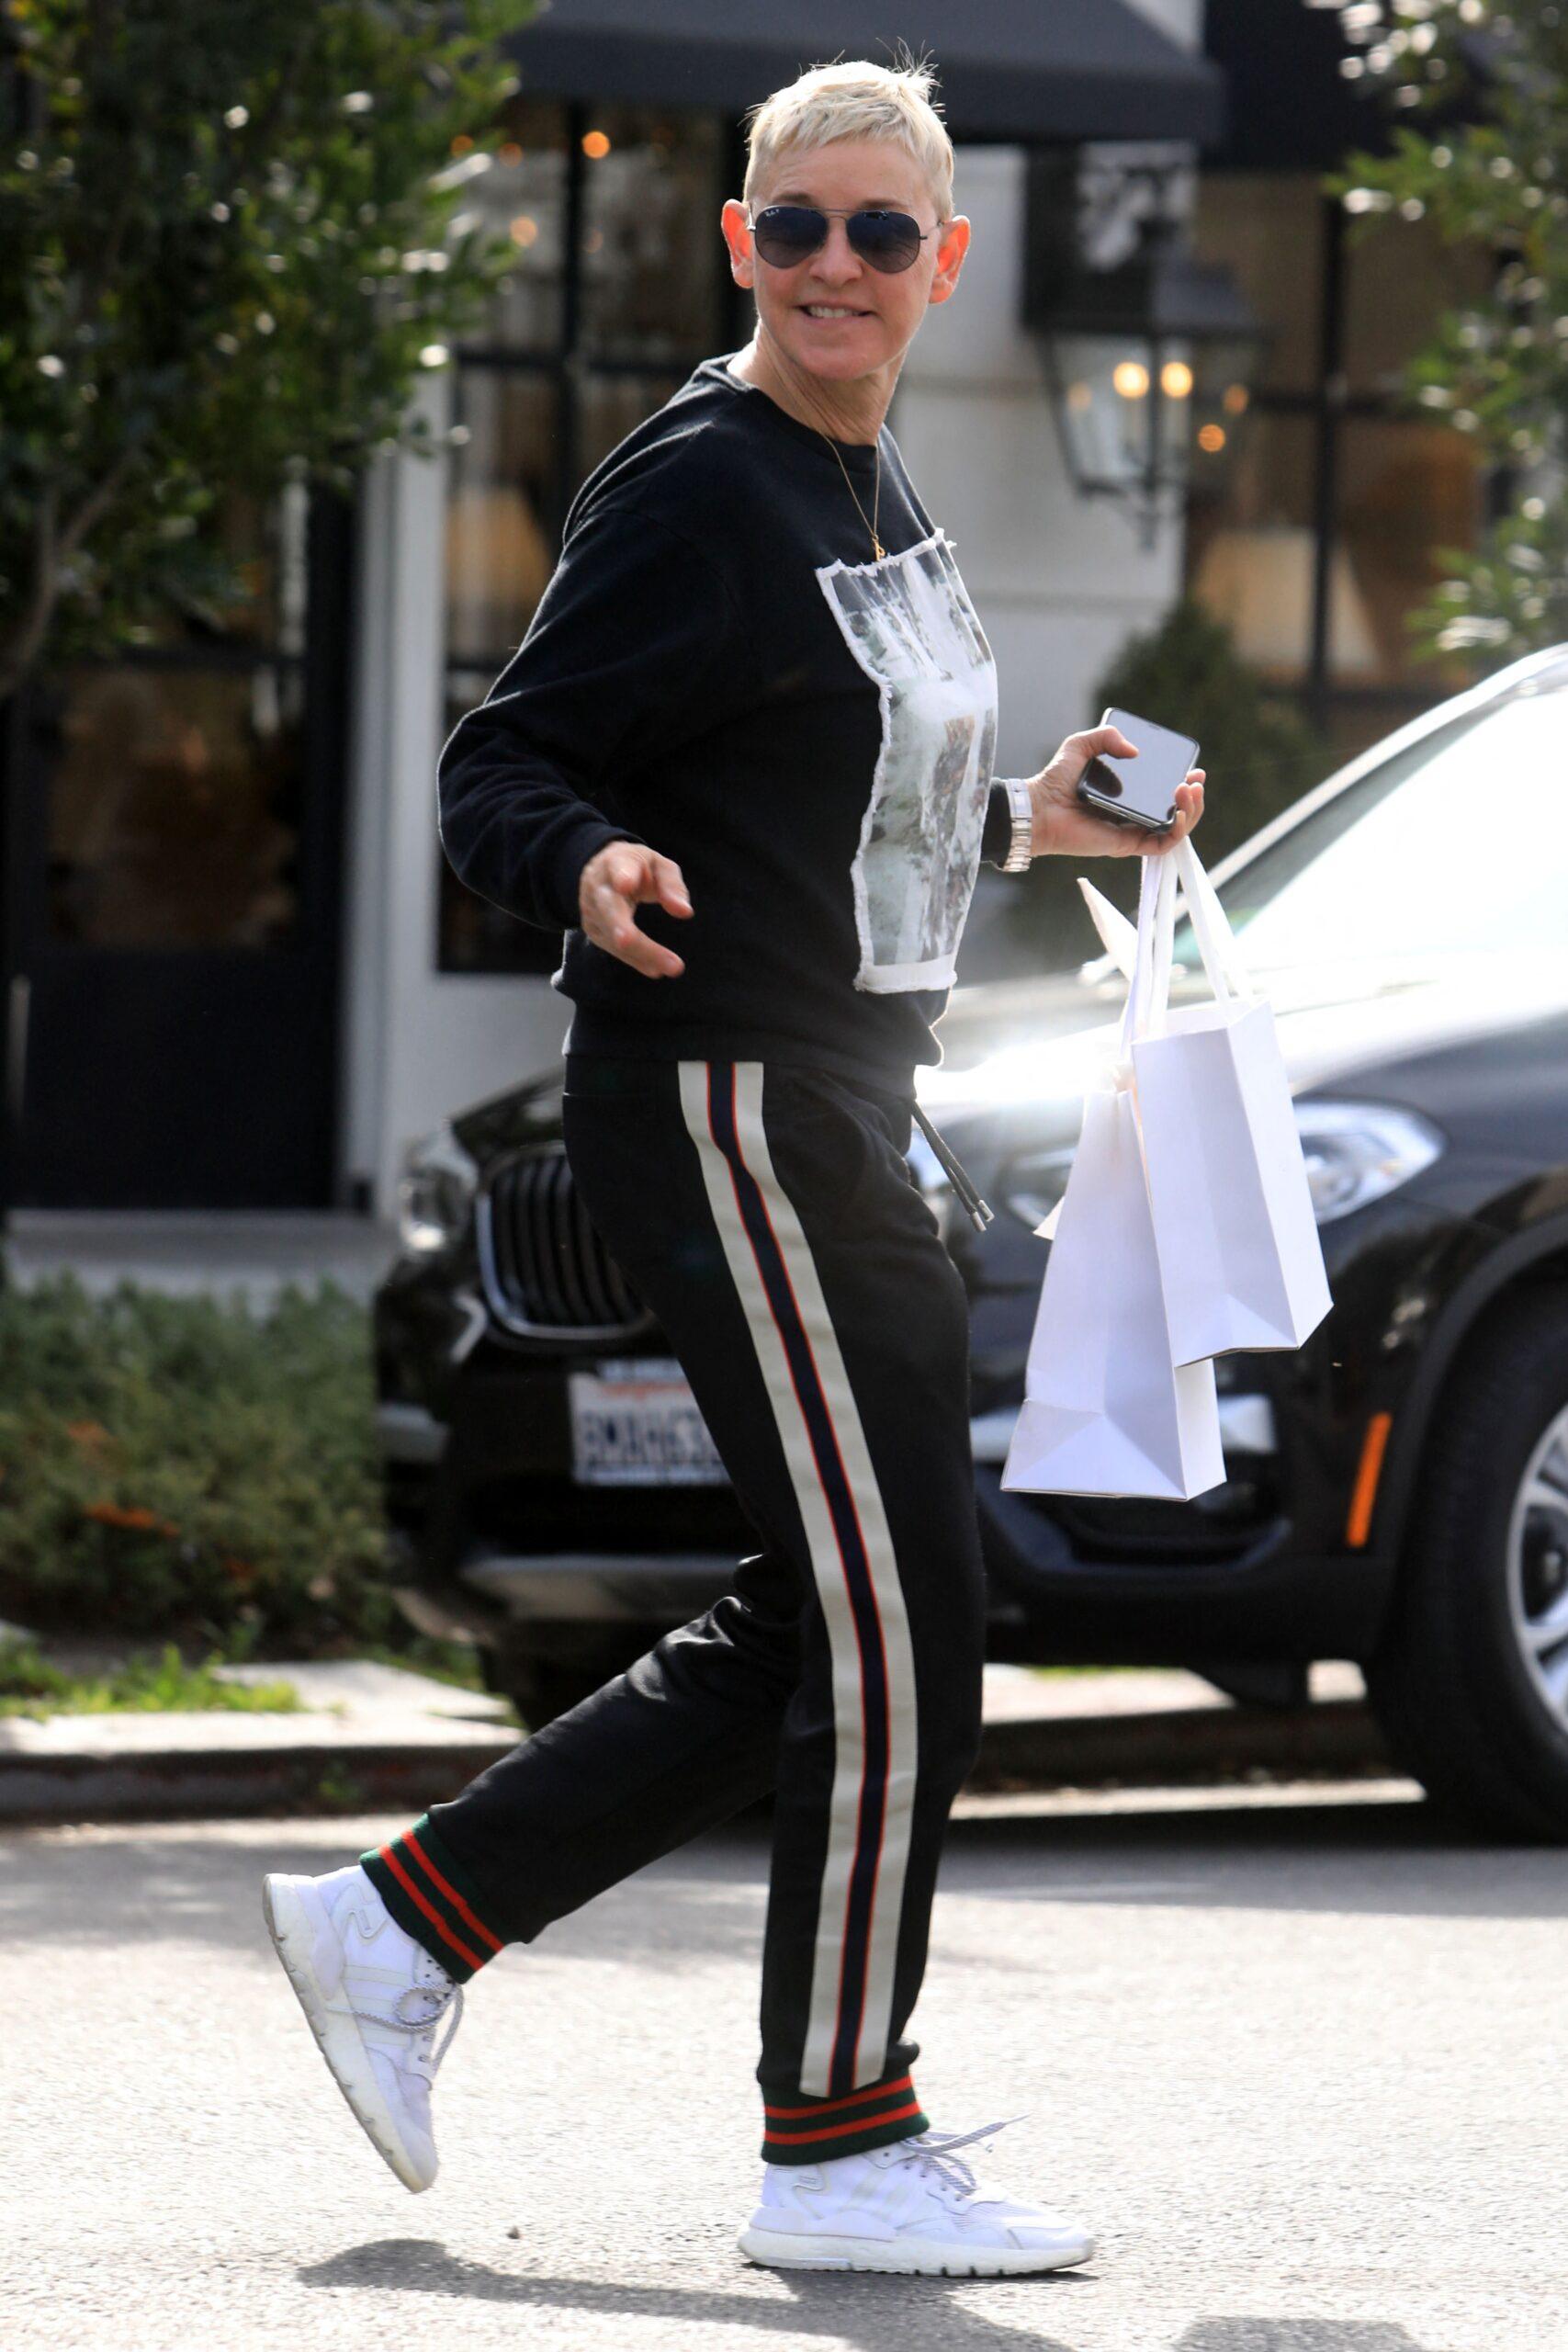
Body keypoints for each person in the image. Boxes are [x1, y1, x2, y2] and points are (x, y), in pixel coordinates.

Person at [262, 53, 1205, 2278]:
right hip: (729, 1104)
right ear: (739, 244)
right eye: (797, 227)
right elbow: (509, 755)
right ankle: (834, 2136)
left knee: (844, 1608)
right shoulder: (702, 479)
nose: (836, 268)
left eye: (881, 233)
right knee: (904, 1627)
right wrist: (579, 858)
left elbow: (830, 827)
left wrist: (1040, 819)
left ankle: (402, 1928)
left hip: (840, 1094)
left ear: (944, 263)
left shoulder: (873, 493)